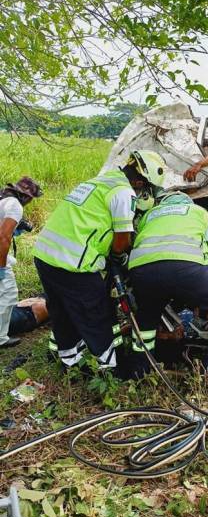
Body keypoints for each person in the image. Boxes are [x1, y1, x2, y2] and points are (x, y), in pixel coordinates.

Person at [33, 151, 167, 370]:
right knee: (96, 313)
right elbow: (122, 237)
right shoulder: (123, 193)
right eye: (144, 187)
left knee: (61, 311)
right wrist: (119, 257)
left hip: (46, 255)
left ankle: (69, 361)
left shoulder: (99, 182)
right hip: (73, 263)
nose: (142, 191)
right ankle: (109, 367)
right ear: (140, 180)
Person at [127, 192, 208, 386]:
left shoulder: (150, 215)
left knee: (147, 314)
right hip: (187, 270)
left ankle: (140, 372)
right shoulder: (200, 212)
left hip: (142, 272)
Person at [0, 177, 42, 349]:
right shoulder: (15, 206)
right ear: (27, 197)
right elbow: (3, 237)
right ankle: (1, 338)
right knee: (8, 294)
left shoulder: (3, 199)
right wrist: (1, 267)